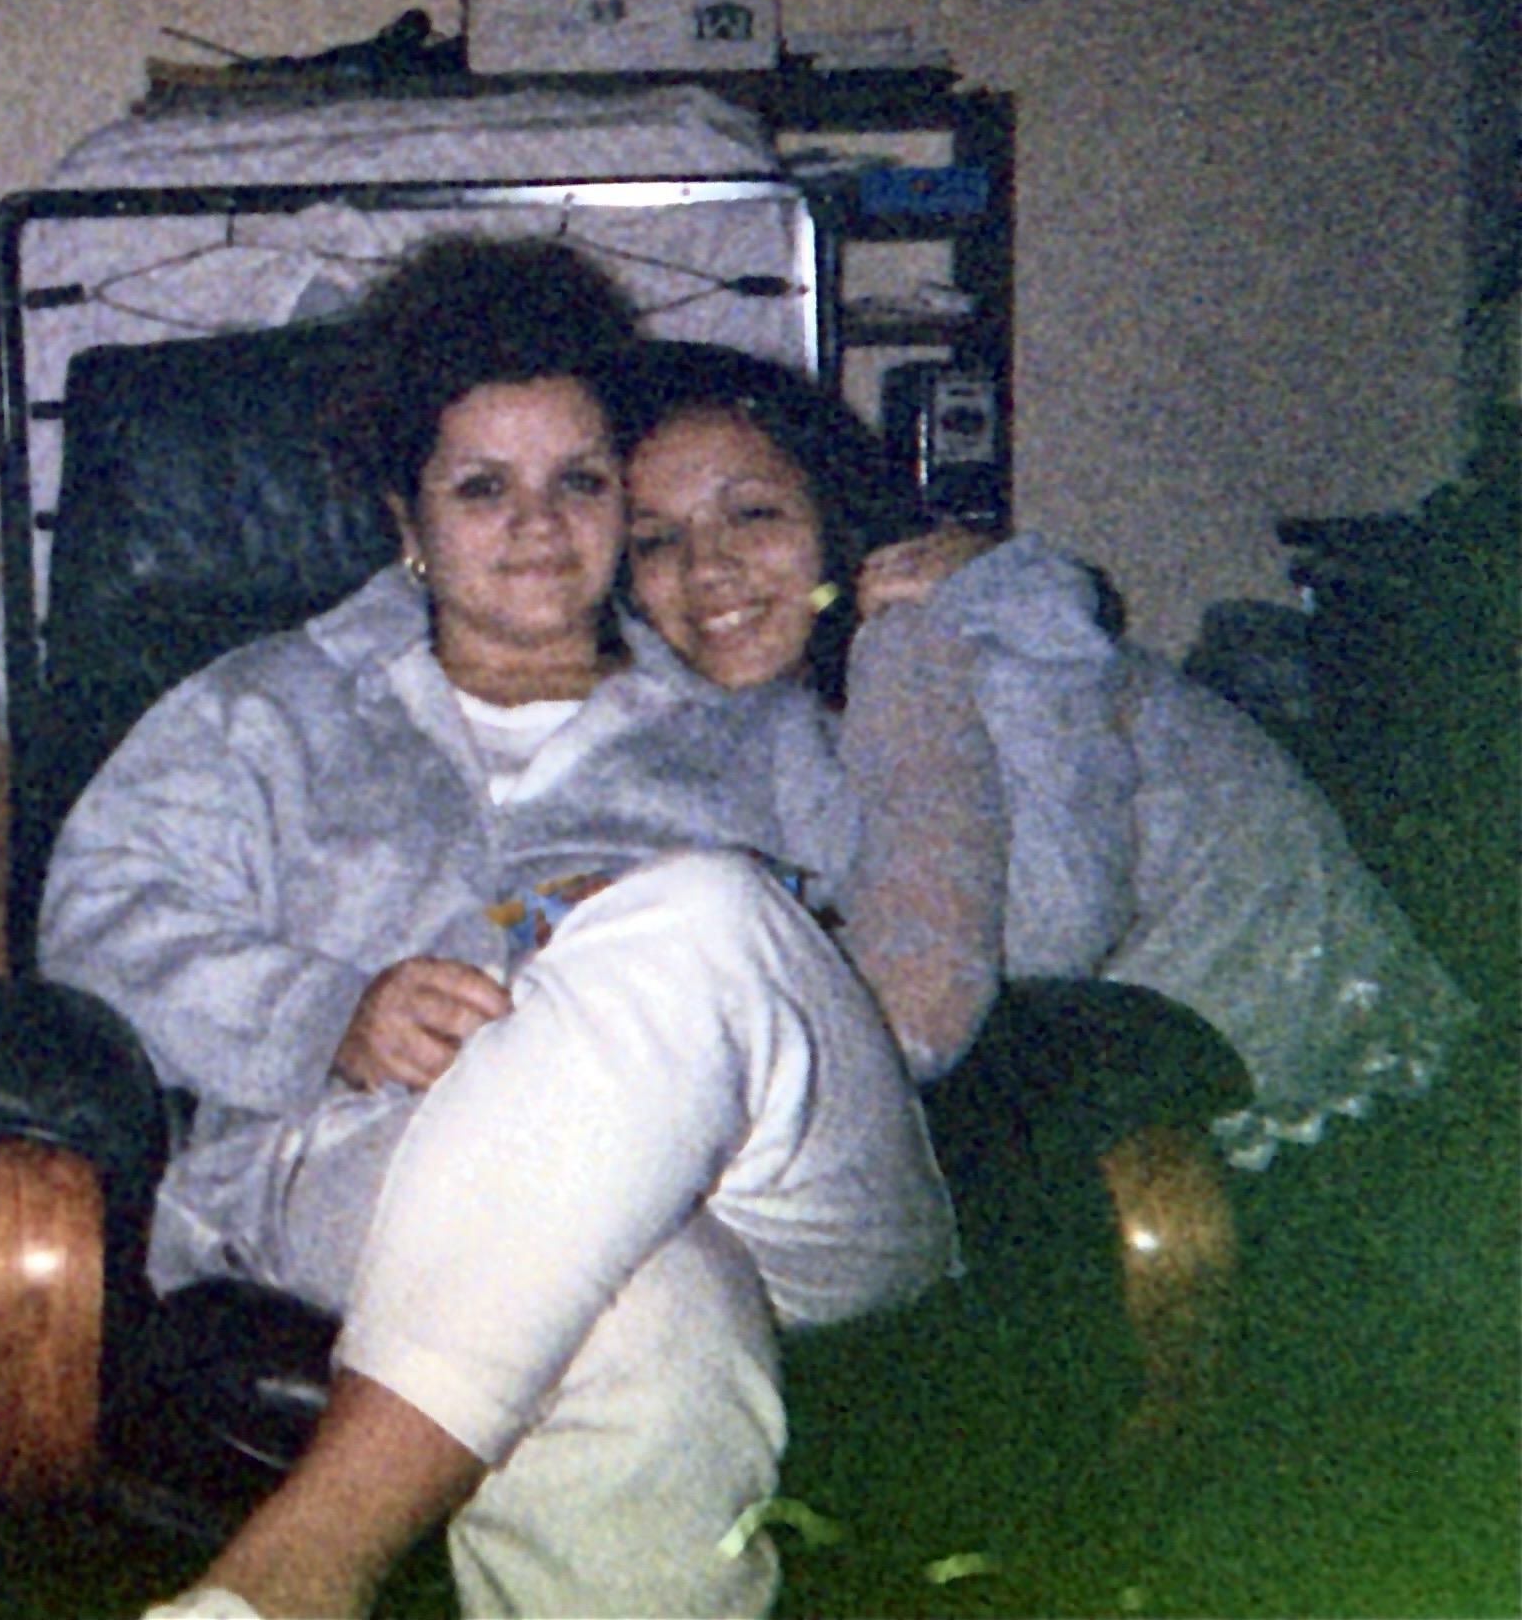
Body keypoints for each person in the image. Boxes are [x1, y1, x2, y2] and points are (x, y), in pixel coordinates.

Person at [38, 237, 962, 1620]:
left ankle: (297, 1576)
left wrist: (942, 640)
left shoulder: (752, 717)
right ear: (408, 522)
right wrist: (320, 1014)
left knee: (703, 911)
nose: (537, 524)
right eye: (483, 486)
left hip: (785, 1197)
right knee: (648, 1308)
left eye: (579, 482)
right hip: (372, 1160)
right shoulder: (264, 709)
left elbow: (920, 938)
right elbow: (98, 917)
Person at [613, 341, 1474, 1166]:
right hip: (1105, 1090)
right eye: (655, 540)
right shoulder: (776, 706)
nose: (707, 567)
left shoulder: (968, 639)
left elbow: (1029, 941)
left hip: (1312, 1129)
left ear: (833, 520)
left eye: (752, 513)